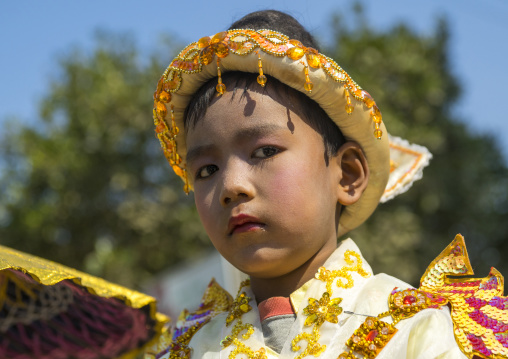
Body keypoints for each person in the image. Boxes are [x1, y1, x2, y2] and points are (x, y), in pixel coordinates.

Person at [146, 10, 507, 359]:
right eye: (207, 170)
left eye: (264, 151)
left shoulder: (422, 331)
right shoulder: (181, 351)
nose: (231, 186)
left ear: (347, 174)